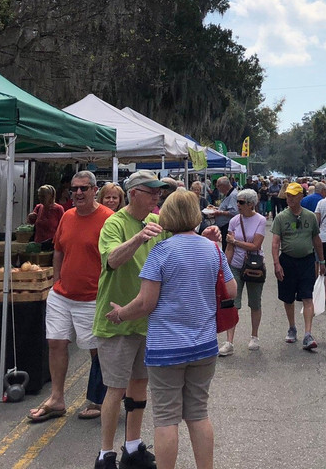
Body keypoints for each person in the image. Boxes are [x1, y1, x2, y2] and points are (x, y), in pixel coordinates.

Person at [107, 190, 234, 469]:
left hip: (166, 348)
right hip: (204, 345)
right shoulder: (212, 248)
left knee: (166, 418)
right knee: (199, 414)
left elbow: (145, 303)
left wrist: (120, 314)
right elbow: (231, 290)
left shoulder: (161, 252)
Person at [92, 170, 170, 469]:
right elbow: (112, 259)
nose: (157, 196)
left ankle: (133, 446)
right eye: (151, 192)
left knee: (139, 384)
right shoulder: (114, 223)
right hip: (117, 320)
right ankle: (105, 453)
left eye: (158, 192)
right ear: (134, 193)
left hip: (145, 318)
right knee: (115, 387)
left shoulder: (154, 221)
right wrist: (138, 238)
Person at [28, 171, 114, 430]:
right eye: (74, 189)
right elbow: (58, 250)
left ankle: (101, 399)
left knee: (96, 350)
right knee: (55, 342)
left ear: (94, 190)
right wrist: (57, 281)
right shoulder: (66, 216)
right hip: (62, 295)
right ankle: (57, 399)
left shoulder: (108, 219)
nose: (78, 193)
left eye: (83, 189)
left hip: (92, 298)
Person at [271, 179, 324, 350]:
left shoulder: (310, 216)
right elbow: (275, 242)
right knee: (288, 298)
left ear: (301, 196)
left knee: (307, 296)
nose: (290, 199)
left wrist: (321, 261)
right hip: (287, 260)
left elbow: (316, 240)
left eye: (293, 196)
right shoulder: (281, 218)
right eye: (288, 196)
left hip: (307, 261)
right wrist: (276, 263)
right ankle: (292, 327)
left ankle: (308, 334)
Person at [220, 188, 267, 355]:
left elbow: (256, 245)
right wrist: (225, 266)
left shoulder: (260, 220)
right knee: (232, 302)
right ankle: (229, 341)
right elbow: (230, 246)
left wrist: (235, 241)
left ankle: (254, 336)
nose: (237, 205)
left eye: (240, 202)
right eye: (237, 202)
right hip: (236, 265)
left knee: (255, 302)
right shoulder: (234, 221)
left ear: (251, 204)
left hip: (254, 265)